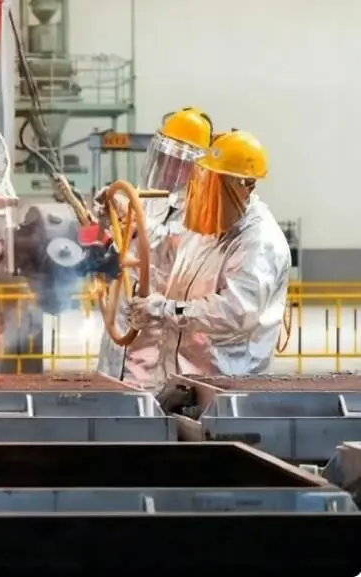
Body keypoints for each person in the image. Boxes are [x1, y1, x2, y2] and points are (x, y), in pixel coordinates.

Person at [126, 129, 290, 377]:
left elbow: (234, 313)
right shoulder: (208, 228)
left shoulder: (260, 242)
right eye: (203, 178)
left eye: (215, 183)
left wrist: (163, 310)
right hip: (179, 378)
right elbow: (170, 271)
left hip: (227, 383)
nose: (203, 191)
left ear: (246, 185)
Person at [94, 107, 214, 387]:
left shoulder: (205, 213)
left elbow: (172, 251)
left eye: (181, 161)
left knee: (149, 422)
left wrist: (133, 223)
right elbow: (128, 250)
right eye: (167, 157)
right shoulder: (150, 200)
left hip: (157, 358)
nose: (172, 168)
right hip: (118, 350)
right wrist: (109, 219)